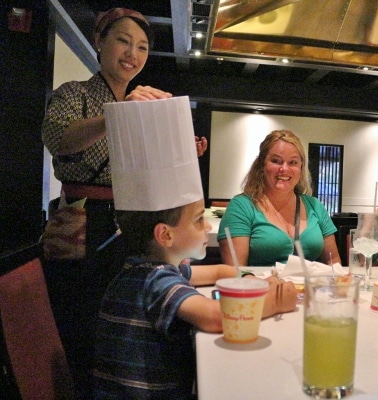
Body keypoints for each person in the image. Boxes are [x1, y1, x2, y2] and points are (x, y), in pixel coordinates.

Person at [40, 8, 207, 396]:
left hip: (131, 225)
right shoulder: (75, 93)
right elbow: (58, 138)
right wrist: (116, 115)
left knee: (132, 323)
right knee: (84, 324)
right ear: (99, 42)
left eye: (143, 47)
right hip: (84, 225)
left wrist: (179, 150)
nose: (133, 53)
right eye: (123, 41)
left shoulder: (144, 105)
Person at [93, 97, 297, 399]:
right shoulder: (154, 280)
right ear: (165, 235)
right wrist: (274, 303)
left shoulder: (153, 267)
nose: (207, 228)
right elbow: (216, 317)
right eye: (199, 220)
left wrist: (250, 281)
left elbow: (219, 270)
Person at [218, 130, 341, 266]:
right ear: (262, 165)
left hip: (310, 287)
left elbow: (333, 262)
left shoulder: (315, 206)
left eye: (293, 162)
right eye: (276, 161)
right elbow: (235, 270)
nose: (284, 168)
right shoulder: (242, 206)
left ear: (301, 168)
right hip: (261, 286)